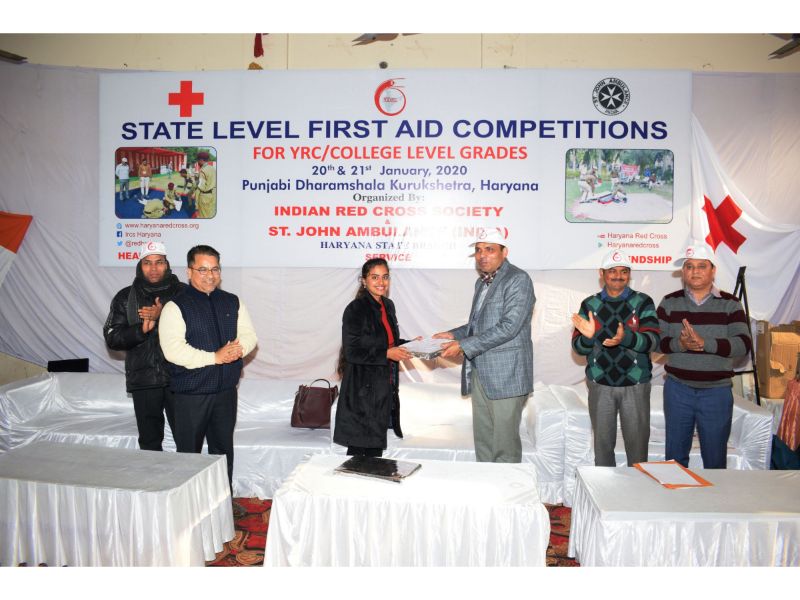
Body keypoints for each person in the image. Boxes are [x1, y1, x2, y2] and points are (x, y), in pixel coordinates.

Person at [159, 244, 258, 487]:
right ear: (189, 272)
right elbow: (173, 351)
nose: (210, 275)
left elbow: (249, 335)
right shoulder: (175, 306)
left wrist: (238, 350)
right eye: (202, 269)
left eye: (215, 269)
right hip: (191, 394)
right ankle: (188, 504)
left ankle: (223, 501)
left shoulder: (232, 301)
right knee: (189, 456)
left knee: (223, 452)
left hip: (225, 392)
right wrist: (215, 357)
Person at [433, 228, 535, 463]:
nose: (482, 255)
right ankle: (487, 485)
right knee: (484, 442)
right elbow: (478, 324)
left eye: (489, 249)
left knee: (504, 447)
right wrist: (452, 334)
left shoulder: (518, 279)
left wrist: (463, 345)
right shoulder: (482, 283)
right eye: (478, 250)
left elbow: (509, 327)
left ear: (504, 252)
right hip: (481, 372)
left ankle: (507, 487)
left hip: (507, 375)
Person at [657, 242, 752, 469]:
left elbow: (743, 345)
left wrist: (705, 344)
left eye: (702, 266)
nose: (695, 271)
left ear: (713, 270)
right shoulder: (669, 302)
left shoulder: (730, 304)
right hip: (678, 390)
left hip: (716, 392)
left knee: (715, 459)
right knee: (674, 459)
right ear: (683, 272)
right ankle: (677, 493)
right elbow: (656, 342)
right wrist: (680, 343)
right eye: (689, 266)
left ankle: (715, 494)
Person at [571, 250, 660, 466]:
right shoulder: (589, 305)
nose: (618, 276)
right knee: (602, 448)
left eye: (624, 271)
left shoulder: (643, 302)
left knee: (638, 449)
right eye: (612, 271)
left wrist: (625, 338)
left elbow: (654, 341)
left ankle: (638, 486)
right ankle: (604, 487)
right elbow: (578, 348)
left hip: (635, 384)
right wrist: (588, 338)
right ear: (601, 273)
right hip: (600, 384)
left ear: (629, 274)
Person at [103, 241, 185, 451]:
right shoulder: (125, 297)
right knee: (149, 444)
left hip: (181, 378)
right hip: (144, 380)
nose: (153, 268)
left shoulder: (185, 294)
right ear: (140, 265)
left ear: (167, 264)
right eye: (147, 263)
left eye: (159, 262)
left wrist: (163, 316)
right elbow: (112, 338)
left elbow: (199, 331)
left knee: (188, 440)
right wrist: (141, 330)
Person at [334, 258, 416, 457]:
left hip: (383, 387)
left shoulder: (388, 305)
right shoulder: (355, 309)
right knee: (360, 451)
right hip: (362, 391)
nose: (381, 282)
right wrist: (387, 353)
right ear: (364, 280)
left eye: (385, 277)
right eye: (375, 277)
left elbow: (388, 341)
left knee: (374, 451)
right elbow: (352, 352)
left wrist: (412, 344)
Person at [195, 151, 216, 218]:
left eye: (198, 160)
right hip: (213, 195)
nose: (198, 162)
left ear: (201, 160)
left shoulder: (203, 170)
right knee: (210, 214)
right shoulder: (212, 168)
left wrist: (196, 205)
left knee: (203, 216)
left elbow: (200, 188)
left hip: (205, 197)